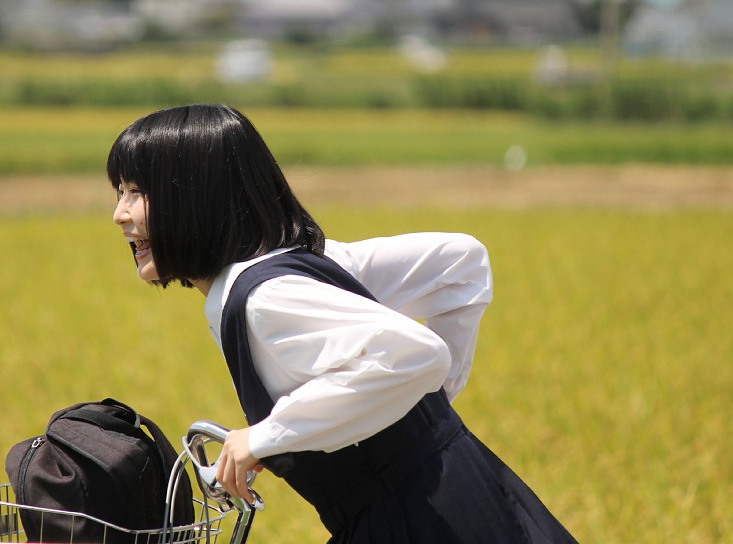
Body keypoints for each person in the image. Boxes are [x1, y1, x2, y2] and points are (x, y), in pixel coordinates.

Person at [108, 104, 576, 543]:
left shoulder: (266, 299)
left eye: (135, 192)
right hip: (459, 491)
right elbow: (461, 263)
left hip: (418, 521)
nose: (119, 215)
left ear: (196, 197)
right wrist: (405, 418)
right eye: (120, 192)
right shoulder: (306, 261)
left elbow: (418, 354)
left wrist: (267, 436)